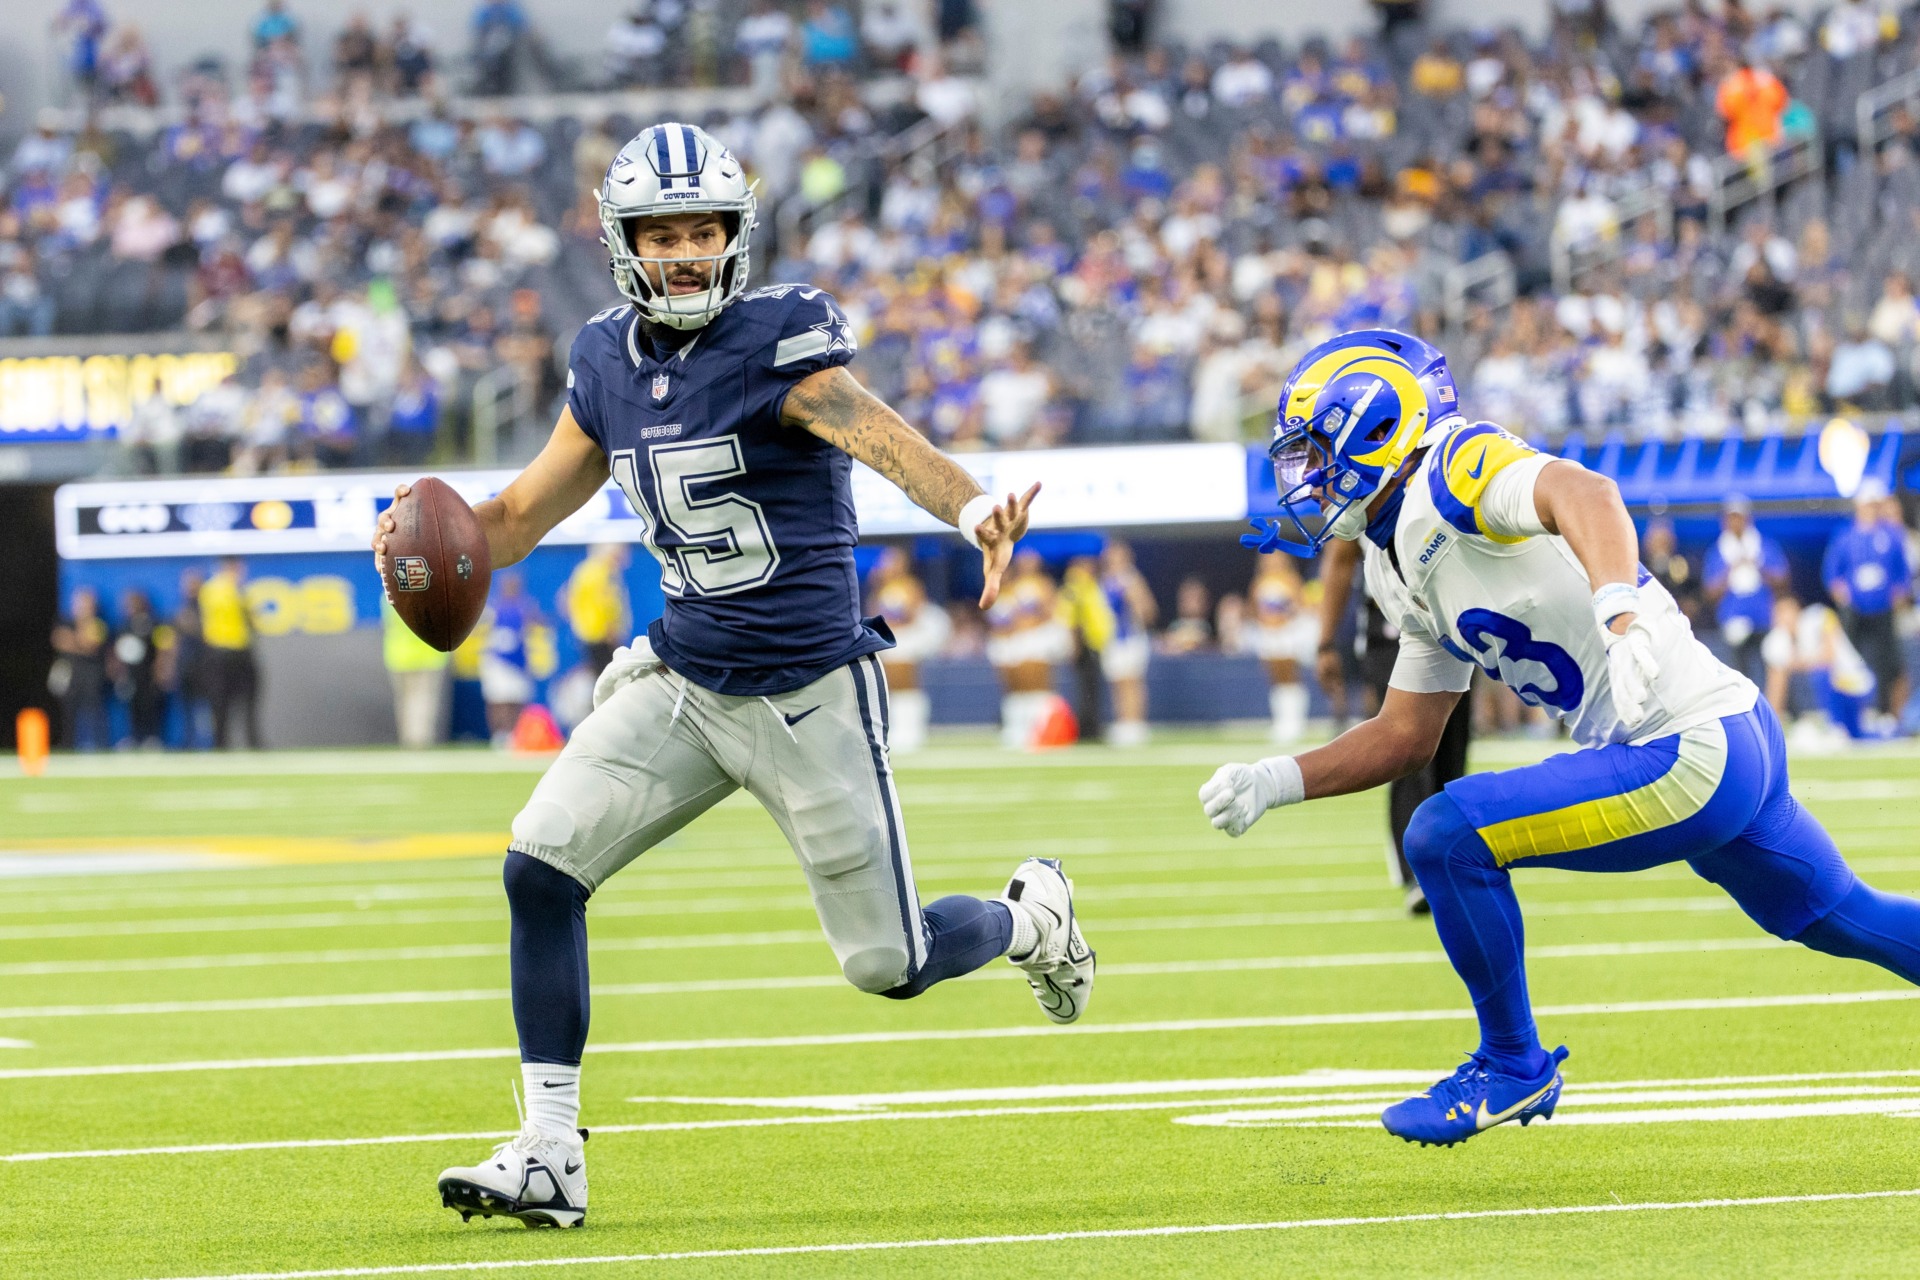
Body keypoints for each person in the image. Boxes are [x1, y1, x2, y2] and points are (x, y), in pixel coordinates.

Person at [374, 123, 1090, 1228]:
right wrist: (431, 537)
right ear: (624, 243)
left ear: (735, 234)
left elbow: (874, 431)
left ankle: (1031, 917)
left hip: (807, 691)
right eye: (664, 234)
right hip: (685, 676)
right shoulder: (605, 361)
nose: (688, 252)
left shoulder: (777, 339)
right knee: (539, 863)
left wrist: (969, 502)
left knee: (888, 963)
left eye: (705, 229)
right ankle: (550, 1148)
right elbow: (515, 518)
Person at [1203, 329, 1920, 1148]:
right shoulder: (1388, 559)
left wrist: (1618, 605)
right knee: (1842, 918)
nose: (1309, 480)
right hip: (1726, 735)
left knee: (1445, 832)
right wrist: (1279, 778)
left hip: (1683, 747)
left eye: (1320, 454)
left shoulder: (1453, 467)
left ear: (1379, 433)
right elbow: (1407, 733)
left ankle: (1513, 1064)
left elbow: (1584, 492)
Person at [1316, 534, 1471, 916]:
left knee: (1452, 750)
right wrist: (1325, 641)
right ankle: (1417, 871)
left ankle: (1448, 857)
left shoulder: (1442, 479)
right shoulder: (1362, 480)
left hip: (1452, 622)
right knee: (1407, 745)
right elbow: (1340, 556)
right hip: (1392, 631)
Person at [1823, 481, 1911, 731]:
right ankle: (1849, 714)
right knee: (1848, 660)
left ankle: (1885, 712)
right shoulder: (1846, 535)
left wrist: (1898, 592)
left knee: (1886, 662)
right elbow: (1832, 572)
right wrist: (1840, 590)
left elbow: (1902, 571)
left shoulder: (1891, 535)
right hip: (1855, 609)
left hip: (1882, 607)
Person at [867, 547, 949, 753]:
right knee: (890, 683)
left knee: (906, 681)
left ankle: (913, 729)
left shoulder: (910, 585)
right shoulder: (880, 589)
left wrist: (895, 625)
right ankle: (896, 728)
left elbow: (912, 614)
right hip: (890, 637)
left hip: (908, 636)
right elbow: (873, 614)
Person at [987, 549, 1071, 748]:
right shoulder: (1011, 586)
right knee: (1015, 685)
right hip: (1016, 640)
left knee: (1037, 682)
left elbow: (1052, 611)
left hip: (1038, 637)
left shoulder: (1044, 584)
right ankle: (1016, 727)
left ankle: (1040, 729)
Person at [1763, 595, 1876, 741]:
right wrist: (1772, 721)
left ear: (1797, 610)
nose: (1784, 618)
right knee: (1858, 738)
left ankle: (1835, 726)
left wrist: (1797, 663)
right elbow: (1776, 684)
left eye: (1786, 612)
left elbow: (1829, 657)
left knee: (1820, 673)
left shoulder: (1816, 618)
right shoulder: (1777, 640)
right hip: (1832, 687)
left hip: (1855, 682)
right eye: (1778, 614)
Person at [1703, 494, 1788, 683]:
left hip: (1765, 621)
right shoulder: (1717, 551)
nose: (1735, 522)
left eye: (1739, 517)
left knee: (1771, 665)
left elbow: (1782, 580)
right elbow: (1710, 592)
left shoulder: (1764, 546)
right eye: (1731, 518)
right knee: (1738, 671)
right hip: (1733, 623)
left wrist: (1757, 566)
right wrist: (1730, 570)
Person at [1249, 553, 1317, 744]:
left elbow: (1300, 605)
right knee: (1274, 677)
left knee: (1290, 676)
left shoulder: (1291, 580)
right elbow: (1255, 608)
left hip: (1287, 633)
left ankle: (1296, 722)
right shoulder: (1260, 582)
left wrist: (1286, 613)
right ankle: (1281, 721)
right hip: (1268, 634)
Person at [199, 558, 263, 750]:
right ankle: (252, 742)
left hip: (217, 650)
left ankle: (221, 744)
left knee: (220, 701)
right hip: (236, 650)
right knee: (248, 699)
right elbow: (252, 620)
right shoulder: (237, 590)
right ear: (231, 568)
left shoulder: (208, 589)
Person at [1099, 539, 1157, 746]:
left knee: (1132, 681)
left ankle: (1135, 725)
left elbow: (1149, 611)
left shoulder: (1132, 579)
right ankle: (1124, 723)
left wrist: (1134, 600)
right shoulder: (1104, 580)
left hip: (1131, 636)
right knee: (1117, 682)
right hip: (1111, 639)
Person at [479, 571, 540, 748]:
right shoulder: (492, 608)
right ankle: (500, 735)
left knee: (517, 700)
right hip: (498, 662)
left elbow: (540, 623)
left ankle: (516, 734)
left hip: (518, 663)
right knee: (499, 700)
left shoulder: (525, 608)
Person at [384, 597, 451, 748]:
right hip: (427, 656)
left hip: (398, 656)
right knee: (423, 700)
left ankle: (407, 738)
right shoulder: (431, 596)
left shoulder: (389, 594)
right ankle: (419, 739)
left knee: (404, 701)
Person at [49, 586, 110, 751]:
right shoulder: (65, 620)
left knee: (94, 710)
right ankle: (68, 745)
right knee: (68, 710)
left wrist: (75, 639)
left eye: (86, 603)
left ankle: (100, 746)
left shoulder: (98, 623)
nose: (82, 607)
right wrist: (78, 642)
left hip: (91, 674)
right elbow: (59, 640)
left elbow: (90, 646)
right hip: (70, 673)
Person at [109, 588, 169, 748]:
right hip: (130, 674)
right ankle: (134, 737)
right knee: (132, 707)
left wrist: (161, 668)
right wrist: (117, 671)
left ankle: (152, 737)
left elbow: (163, 647)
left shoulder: (154, 623)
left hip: (149, 672)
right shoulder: (124, 625)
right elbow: (117, 649)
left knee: (150, 705)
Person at [562, 544, 629, 678]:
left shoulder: (583, 570)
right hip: (603, 636)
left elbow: (566, 598)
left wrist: (578, 623)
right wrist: (611, 630)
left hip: (587, 634)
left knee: (597, 675)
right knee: (610, 677)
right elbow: (607, 604)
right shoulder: (604, 572)